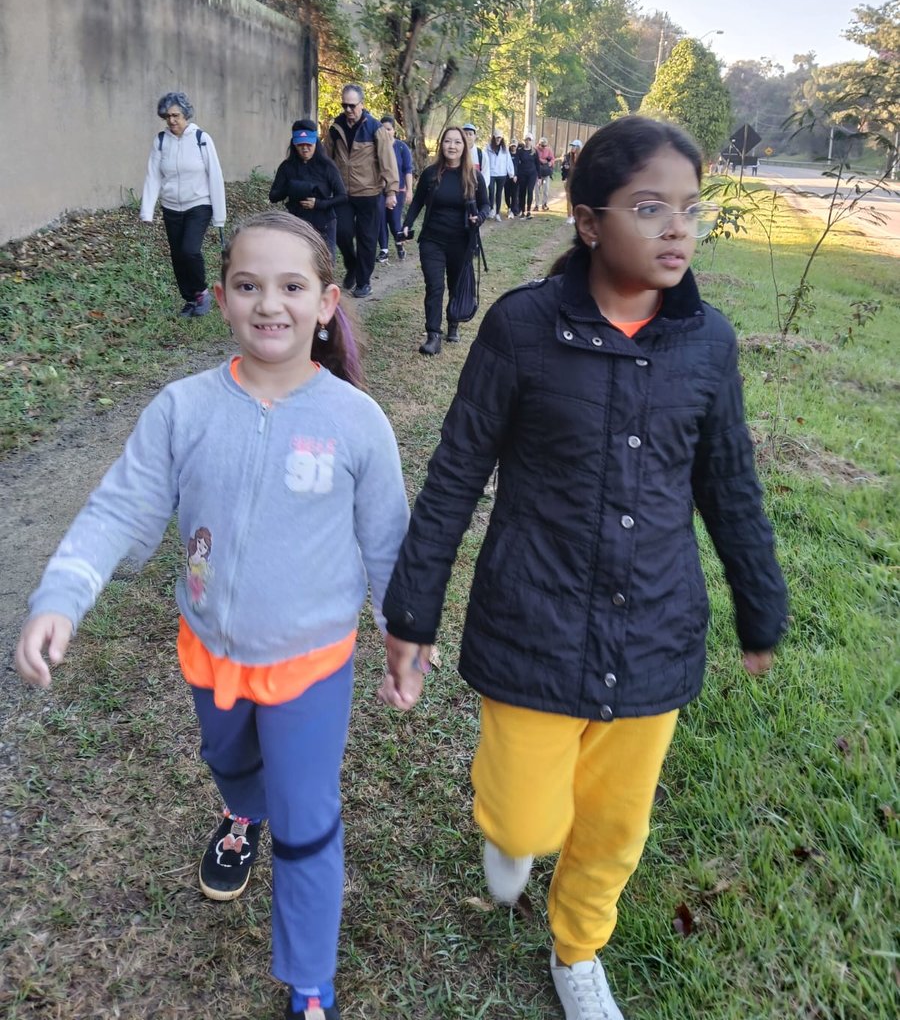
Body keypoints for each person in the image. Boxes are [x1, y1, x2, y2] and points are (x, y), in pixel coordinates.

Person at [380, 115, 789, 1020]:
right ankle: (510, 831)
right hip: (532, 622)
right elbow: (455, 474)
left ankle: (577, 951)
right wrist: (412, 614)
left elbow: (728, 484)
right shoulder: (522, 329)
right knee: (525, 822)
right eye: (650, 208)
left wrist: (759, 604)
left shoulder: (709, 344)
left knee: (611, 831)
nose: (678, 228)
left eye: (691, 208)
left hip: (654, 634)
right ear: (589, 221)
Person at [16, 213, 420, 1020]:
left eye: (291, 286)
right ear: (223, 297)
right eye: (247, 285)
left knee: (307, 820)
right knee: (229, 760)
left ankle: (309, 983)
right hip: (210, 653)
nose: (269, 303)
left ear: (325, 302)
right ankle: (242, 810)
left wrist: (401, 636)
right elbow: (118, 507)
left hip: (310, 665)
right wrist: (61, 595)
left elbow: (388, 543)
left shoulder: (355, 422)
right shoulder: (184, 409)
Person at [401, 125, 489, 357]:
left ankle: (453, 323)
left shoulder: (473, 176)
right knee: (434, 286)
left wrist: (479, 218)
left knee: (455, 285)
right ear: (442, 145)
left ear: (464, 146)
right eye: (448, 141)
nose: (452, 146)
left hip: (461, 242)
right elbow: (417, 202)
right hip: (432, 240)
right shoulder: (431, 174)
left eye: (457, 142)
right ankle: (433, 335)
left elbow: (486, 205)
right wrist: (407, 224)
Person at [140, 91, 226, 317]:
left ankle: (201, 293)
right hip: (171, 206)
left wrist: (220, 215)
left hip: (199, 204)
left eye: (176, 115)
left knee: (190, 250)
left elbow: (215, 175)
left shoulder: (201, 139)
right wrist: (147, 211)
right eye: (167, 116)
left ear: (185, 115)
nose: (172, 120)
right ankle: (190, 299)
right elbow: (153, 176)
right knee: (177, 255)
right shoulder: (161, 141)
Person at [324, 85, 399, 299]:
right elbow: (327, 159)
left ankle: (364, 282)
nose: (348, 109)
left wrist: (391, 191)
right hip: (343, 193)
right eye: (344, 105)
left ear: (362, 104)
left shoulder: (375, 128)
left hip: (369, 193)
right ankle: (352, 265)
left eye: (352, 105)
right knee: (342, 232)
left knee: (367, 239)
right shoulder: (335, 128)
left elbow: (387, 161)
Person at [269, 120, 347, 261]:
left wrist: (319, 204)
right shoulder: (287, 167)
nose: (305, 149)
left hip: (324, 223)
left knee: (324, 265)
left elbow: (342, 196)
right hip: (297, 223)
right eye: (300, 145)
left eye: (309, 145)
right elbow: (273, 196)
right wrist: (291, 188)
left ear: (315, 143)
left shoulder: (327, 166)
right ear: (294, 144)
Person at [376, 116, 414, 263]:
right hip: (379, 189)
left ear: (394, 130)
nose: (386, 132)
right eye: (383, 129)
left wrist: (409, 190)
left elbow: (408, 170)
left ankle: (399, 244)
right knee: (380, 219)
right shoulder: (375, 147)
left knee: (394, 220)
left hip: (398, 190)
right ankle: (384, 250)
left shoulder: (401, 147)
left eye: (389, 129)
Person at [484, 130, 515, 221]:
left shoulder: (504, 149)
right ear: (493, 138)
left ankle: (497, 213)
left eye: (500, 138)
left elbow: (508, 161)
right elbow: (485, 160)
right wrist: (484, 171)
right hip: (491, 173)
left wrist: (511, 173)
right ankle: (491, 209)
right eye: (497, 137)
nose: (498, 139)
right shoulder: (488, 148)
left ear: (502, 139)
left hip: (502, 174)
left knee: (499, 193)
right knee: (491, 191)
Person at [513, 132, 540, 218]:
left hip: (532, 174)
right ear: (524, 141)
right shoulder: (520, 151)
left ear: (532, 141)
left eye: (529, 140)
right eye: (526, 140)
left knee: (530, 191)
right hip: (522, 174)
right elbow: (516, 163)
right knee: (522, 192)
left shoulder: (534, 151)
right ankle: (522, 211)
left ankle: (528, 210)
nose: (528, 141)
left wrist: (539, 177)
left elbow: (537, 164)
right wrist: (515, 174)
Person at [562, 138, 583, 223]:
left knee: (577, 199)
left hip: (579, 181)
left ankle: (576, 215)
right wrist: (564, 177)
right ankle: (569, 216)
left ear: (578, 147)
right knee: (569, 198)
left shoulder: (583, 158)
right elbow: (564, 168)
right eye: (572, 146)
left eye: (574, 146)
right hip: (569, 180)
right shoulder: (567, 156)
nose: (572, 148)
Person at [536, 136, 556, 211]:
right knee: (537, 189)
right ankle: (536, 205)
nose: (544, 147)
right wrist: (540, 160)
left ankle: (544, 204)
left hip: (546, 172)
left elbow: (552, 158)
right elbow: (534, 158)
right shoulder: (535, 149)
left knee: (545, 189)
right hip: (538, 174)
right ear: (539, 144)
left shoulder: (548, 149)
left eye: (545, 146)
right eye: (542, 145)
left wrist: (550, 163)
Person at [504, 141, 519, 217]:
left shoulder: (518, 155)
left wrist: (516, 175)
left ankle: (514, 209)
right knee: (507, 194)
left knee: (514, 194)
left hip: (515, 178)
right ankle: (509, 207)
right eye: (512, 146)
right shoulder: (507, 154)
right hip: (507, 177)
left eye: (514, 146)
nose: (513, 147)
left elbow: (519, 167)